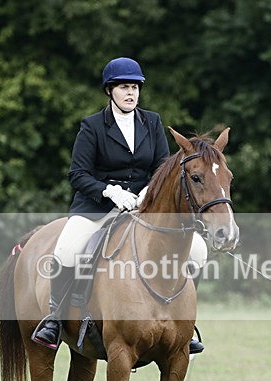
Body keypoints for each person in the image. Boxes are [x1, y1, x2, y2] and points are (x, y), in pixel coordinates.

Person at [32, 57, 207, 353]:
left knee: (199, 250)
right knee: (67, 248)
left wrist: (148, 191)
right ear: (110, 90)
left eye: (135, 87)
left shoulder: (151, 121)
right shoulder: (92, 126)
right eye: (124, 87)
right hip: (97, 207)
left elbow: (163, 168)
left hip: (143, 208)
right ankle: (54, 320)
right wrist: (110, 192)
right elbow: (77, 174)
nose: (131, 93)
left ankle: (184, 322)